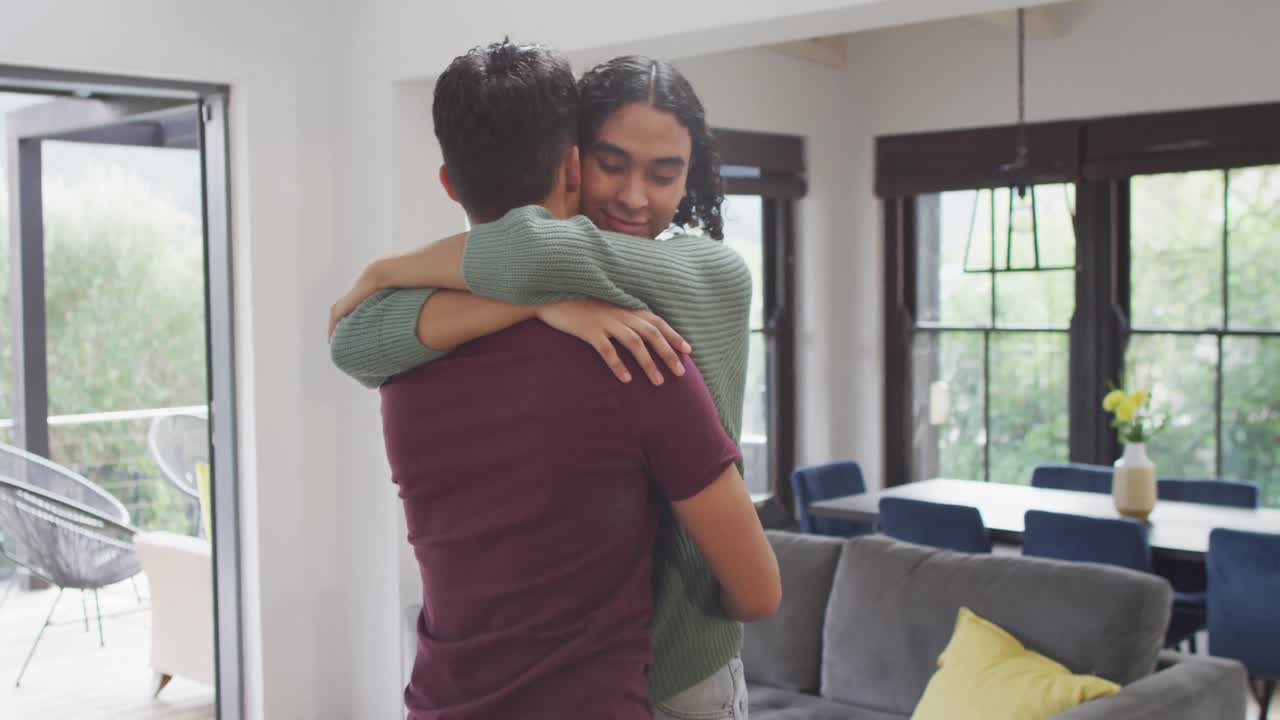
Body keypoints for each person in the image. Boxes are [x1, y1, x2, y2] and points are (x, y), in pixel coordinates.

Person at [336, 41, 779, 719]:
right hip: (589, 674)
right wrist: (538, 303)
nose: (634, 197)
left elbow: (532, 246)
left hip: (679, 663)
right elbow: (357, 341)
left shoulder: (710, 274)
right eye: (612, 164)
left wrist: (386, 270)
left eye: (664, 174)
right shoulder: (536, 284)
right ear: (573, 163)